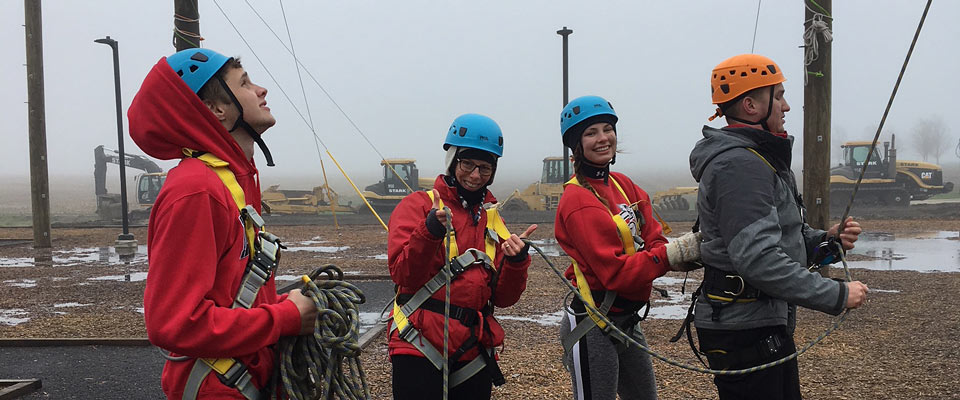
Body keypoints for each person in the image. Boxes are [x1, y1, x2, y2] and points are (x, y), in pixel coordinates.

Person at [130, 48, 318, 399]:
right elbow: (175, 324)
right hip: (220, 387)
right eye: (245, 82)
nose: (261, 90)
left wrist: (280, 306)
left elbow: (227, 295)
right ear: (217, 110)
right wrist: (284, 319)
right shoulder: (196, 191)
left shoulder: (234, 182)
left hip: (244, 380)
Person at [689, 54, 869, 400]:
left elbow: (782, 237)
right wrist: (837, 294)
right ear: (751, 105)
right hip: (744, 329)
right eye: (779, 95)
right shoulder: (741, 166)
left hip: (757, 322)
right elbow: (757, 259)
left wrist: (827, 242)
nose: (786, 106)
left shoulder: (759, 157)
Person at [554, 95, 702, 400]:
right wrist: (669, 257)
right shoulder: (578, 200)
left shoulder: (623, 185)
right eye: (590, 132)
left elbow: (655, 236)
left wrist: (663, 254)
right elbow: (615, 273)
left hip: (626, 320)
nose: (603, 138)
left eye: (607, 129)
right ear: (576, 144)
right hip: (592, 323)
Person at [386, 114, 537, 400]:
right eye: (467, 164)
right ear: (453, 160)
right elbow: (403, 274)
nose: (475, 175)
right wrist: (429, 231)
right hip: (419, 341)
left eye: (485, 167)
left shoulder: (492, 220)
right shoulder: (417, 206)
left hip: (472, 348)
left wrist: (517, 263)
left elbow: (503, 298)